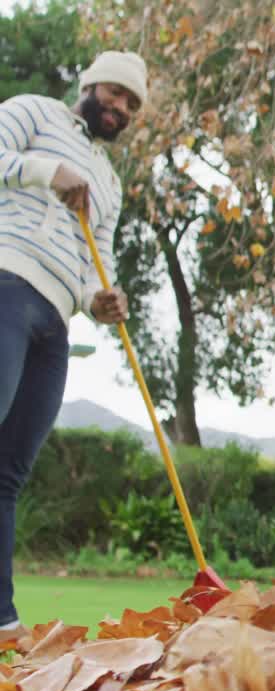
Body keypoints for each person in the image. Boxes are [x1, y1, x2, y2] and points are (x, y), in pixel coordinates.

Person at [0, 51, 146, 640]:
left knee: (8, 471)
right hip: (7, 283)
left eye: (132, 104)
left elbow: (98, 260)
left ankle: (0, 619)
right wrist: (47, 171)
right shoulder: (31, 112)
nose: (121, 107)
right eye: (115, 93)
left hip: (55, 323)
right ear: (90, 84)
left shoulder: (110, 182)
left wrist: (101, 299)